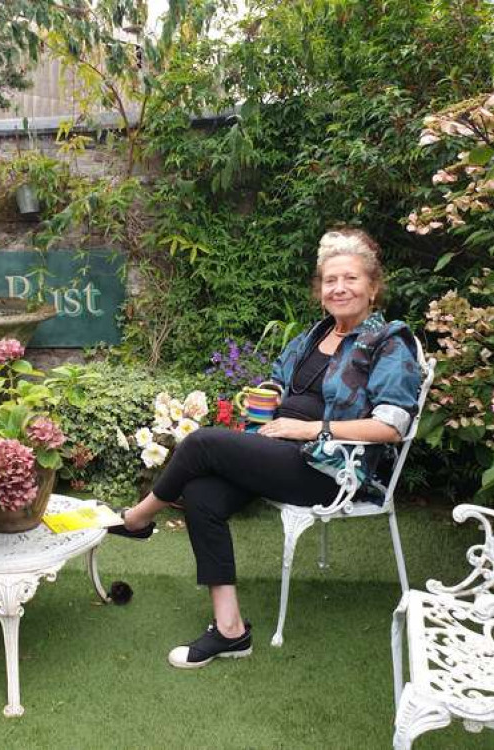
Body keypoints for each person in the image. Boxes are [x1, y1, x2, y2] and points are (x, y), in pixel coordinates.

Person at [110, 228, 422, 669]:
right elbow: (279, 379)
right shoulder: (317, 333)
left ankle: (138, 518)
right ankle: (230, 631)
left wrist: (308, 429)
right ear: (320, 291)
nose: (339, 288)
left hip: (330, 468)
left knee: (201, 442)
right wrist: (267, 404)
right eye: (330, 280)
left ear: (372, 287)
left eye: (350, 279)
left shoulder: (389, 341)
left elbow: (391, 426)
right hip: (279, 451)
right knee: (202, 494)